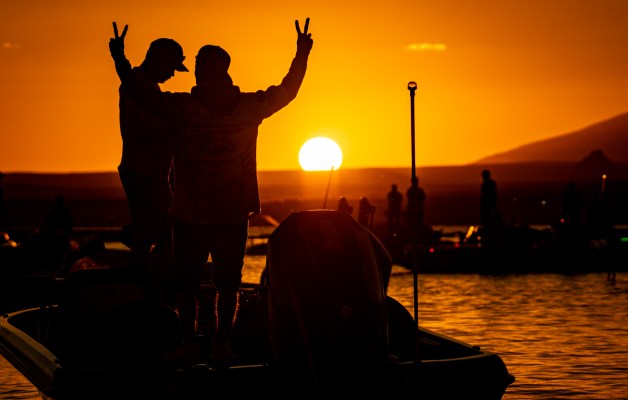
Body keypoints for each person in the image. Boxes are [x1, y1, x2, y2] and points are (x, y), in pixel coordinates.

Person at [109, 18, 314, 367]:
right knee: (220, 284)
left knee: (192, 284)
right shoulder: (245, 107)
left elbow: (139, 93)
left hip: (194, 214)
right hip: (223, 213)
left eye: (200, 66)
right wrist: (301, 54)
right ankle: (217, 346)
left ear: (209, 72)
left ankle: (197, 344)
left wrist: (119, 59)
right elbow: (287, 91)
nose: (197, 71)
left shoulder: (182, 108)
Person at [116, 37, 189, 304]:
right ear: (157, 60)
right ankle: (145, 294)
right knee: (150, 236)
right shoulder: (136, 85)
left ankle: (153, 289)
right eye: (171, 67)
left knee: (164, 233)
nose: (172, 74)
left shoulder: (147, 87)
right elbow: (144, 128)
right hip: (142, 172)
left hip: (152, 174)